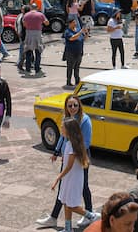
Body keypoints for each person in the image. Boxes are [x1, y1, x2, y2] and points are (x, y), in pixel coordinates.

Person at [37, 95, 97, 229]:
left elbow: (86, 142)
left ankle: (90, 214)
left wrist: (73, 154)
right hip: (68, 156)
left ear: (79, 105)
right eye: (70, 106)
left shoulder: (85, 120)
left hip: (79, 158)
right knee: (63, 191)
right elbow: (62, 138)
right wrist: (57, 152)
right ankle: (57, 219)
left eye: (75, 105)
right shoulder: (67, 119)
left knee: (82, 187)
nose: (73, 108)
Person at [52, 116, 90, 232]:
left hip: (73, 178)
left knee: (72, 205)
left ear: (69, 130)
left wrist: (58, 177)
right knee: (65, 201)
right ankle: (68, 228)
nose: (61, 128)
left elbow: (69, 167)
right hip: (69, 178)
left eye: (62, 127)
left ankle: (91, 216)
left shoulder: (73, 146)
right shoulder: (69, 144)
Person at [63, 17, 86, 87]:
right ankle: (68, 81)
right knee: (70, 67)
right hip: (71, 53)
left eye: (75, 22)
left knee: (77, 67)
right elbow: (72, 38)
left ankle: (77, 80)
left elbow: (83, 38)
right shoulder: (67, 31)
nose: (75, 23)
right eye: (74, 22)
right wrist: (80, 32)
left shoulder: (78, 30)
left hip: (79, 52)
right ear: (70, 24)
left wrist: (86, 33)